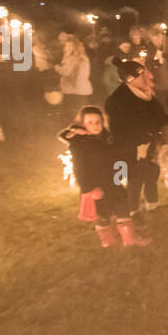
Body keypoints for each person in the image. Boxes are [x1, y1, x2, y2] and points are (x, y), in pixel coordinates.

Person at [59, 105, 142, 247]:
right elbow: (79, 169)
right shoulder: (79, 144)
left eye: (98, 122)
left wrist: (120, 176)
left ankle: (130, 240)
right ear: (82, 124)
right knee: (103, 215)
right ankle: (108, 242)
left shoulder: (107, 138)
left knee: (122, 208)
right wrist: (88, 189)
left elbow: (116, 159)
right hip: (96, 187)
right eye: (90, 122)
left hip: (113, 183)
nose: (95, 125)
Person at [104, 60, 168, 221]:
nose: (147, 77)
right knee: (135, 179)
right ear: (131, 79)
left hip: (149, 145)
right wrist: (141, 140)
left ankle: (152, 205)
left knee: (151, 175)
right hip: (131, 149)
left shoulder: (144, 94)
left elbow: (158, 115)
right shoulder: (117, 100)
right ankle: (133, 210)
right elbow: (120, 129)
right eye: (142, 75)